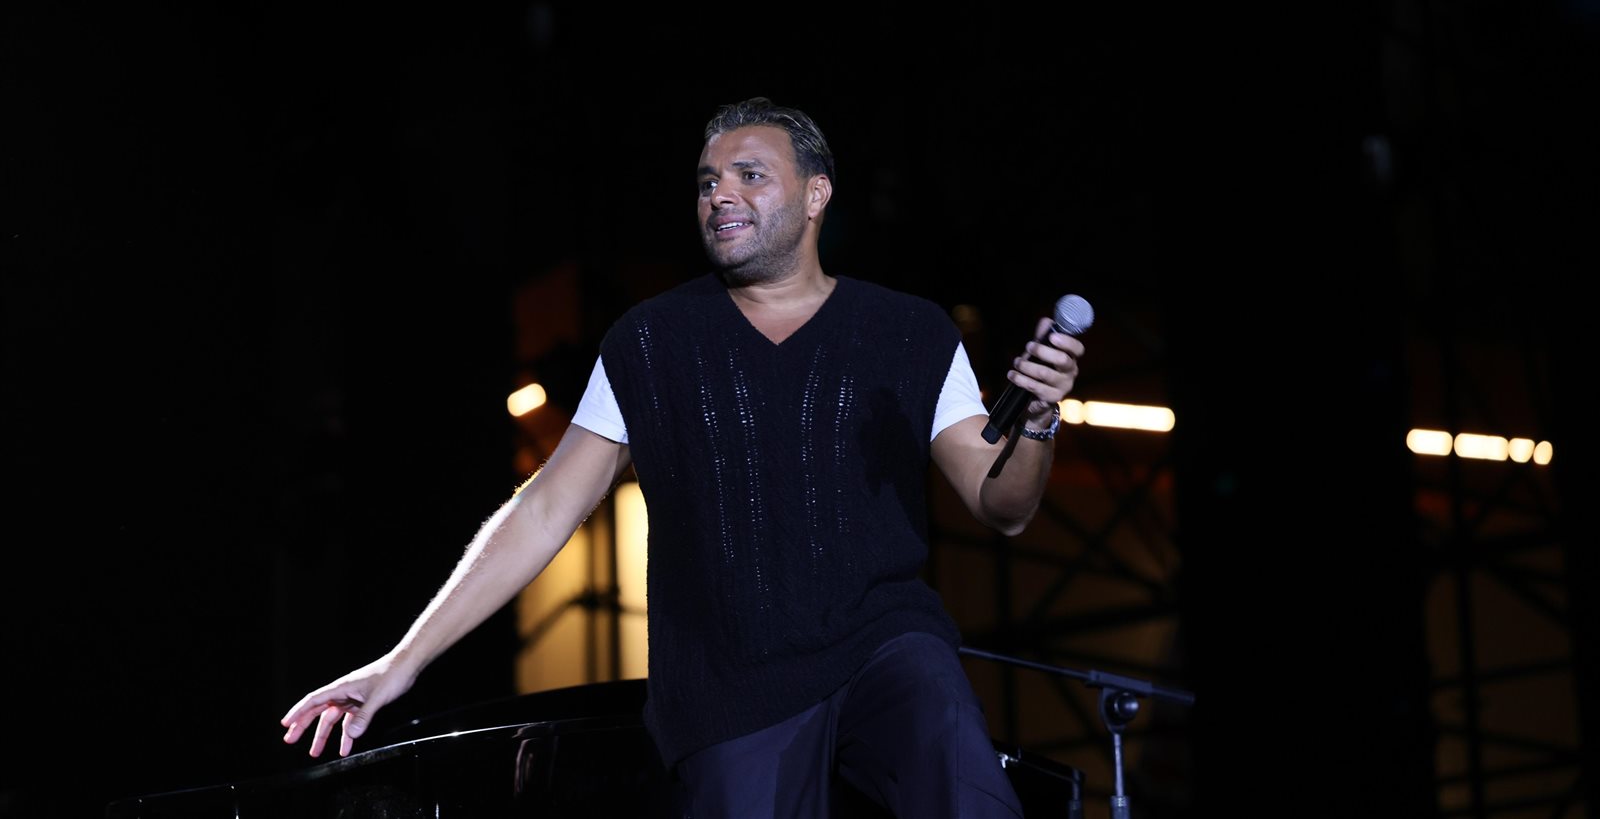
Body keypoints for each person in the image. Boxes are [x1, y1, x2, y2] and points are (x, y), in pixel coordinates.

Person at [280, 97, 1084, 817]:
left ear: (816, 195)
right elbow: (544, 509)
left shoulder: (909, 332)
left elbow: (1002, 504)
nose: (719, 194)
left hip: (885, 648)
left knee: (951, 753)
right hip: (729, 688)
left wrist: (1039, 420)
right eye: (707, 181)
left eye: (748, 175)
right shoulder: (650, 341)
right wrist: (402, 661)